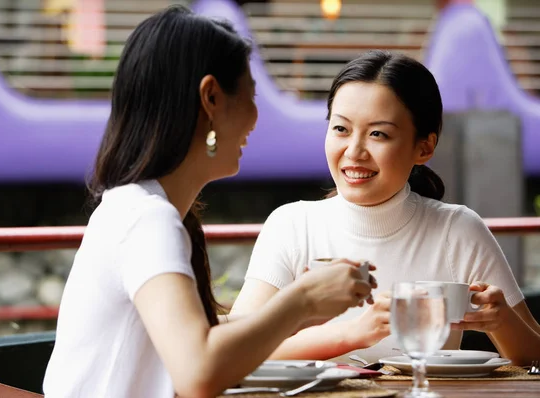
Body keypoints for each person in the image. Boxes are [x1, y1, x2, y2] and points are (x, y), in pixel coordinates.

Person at [42, 6, 373, 398]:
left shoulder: (137, 207)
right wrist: (303, 301)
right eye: (251, 95)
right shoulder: (147, 218)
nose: (255, 116)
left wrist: (304, 307)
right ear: (211, 97)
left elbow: (203, 342)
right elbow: (198, 372)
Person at [231, 50, 540, 365]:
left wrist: (503, 322)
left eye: (378, 134)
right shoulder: (291, 225)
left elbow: (536, 357)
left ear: (424, 147)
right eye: (341, 129)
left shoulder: (457, 230)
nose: (354, 151)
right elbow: (235, 346)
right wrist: (354, 333)